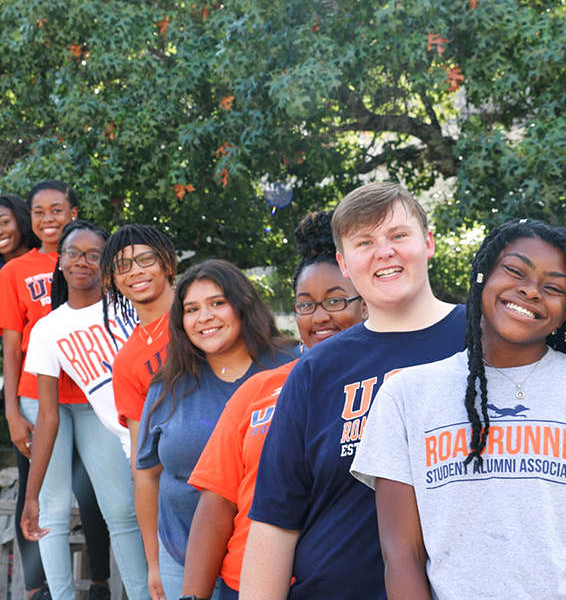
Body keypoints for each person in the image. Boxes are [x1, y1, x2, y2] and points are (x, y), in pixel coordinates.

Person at [351, 218, 566, 599]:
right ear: (483, 276)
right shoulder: (406, 395)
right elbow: (402, 555)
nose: (531, 291)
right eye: (515, 271)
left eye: (553, 288)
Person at [241, 182, 466, 600]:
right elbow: (275, 520)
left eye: (398, 235)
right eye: (365, 242)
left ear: (428, 243)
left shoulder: (485, 341)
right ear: (345, 264)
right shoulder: (316, 370)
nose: (384, 252)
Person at [182, 211, 367, 600]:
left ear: (364, 304)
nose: (320, 317)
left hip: (340, 584)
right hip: (246, 583)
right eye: (305, 304)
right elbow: (216, 504)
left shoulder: (393, 382)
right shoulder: (258, 390)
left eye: (335, 300)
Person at [135, 259, 300, 600]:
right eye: (191, 309)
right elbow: (147, 476)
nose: (204, 317)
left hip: (274, 557)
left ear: (242, 306)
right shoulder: (167, 387)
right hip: (179, 556)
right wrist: (153, 562)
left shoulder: (293, 367)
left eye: (217, 303)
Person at [0, 180, 111, 599]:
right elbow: (12, 348)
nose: (48, 219)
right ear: (30, 219)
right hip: (39, 399)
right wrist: (12, 411)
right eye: (39, 212)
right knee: (44, 497)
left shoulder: (98, 261)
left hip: (94, 396)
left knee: (105, 497)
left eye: (57, 210)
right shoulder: (13, 272)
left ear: (74, 213)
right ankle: (47, 591)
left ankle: (102, 583)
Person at [20, 220, 149, 600]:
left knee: (122, 512)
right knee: (52, 514)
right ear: (59, 260)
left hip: (139, 429)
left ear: (106, 264)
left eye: (94, 255)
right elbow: (47, 416)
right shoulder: (48, 328)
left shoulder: (127, 309)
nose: (83, 262)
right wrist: (31, 493)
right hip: (107, 423)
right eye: (74, 253)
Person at [100, 224, 177, 470]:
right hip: (179, 480)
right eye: (123, 266)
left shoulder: (202, 318)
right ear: (113, 279)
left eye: (145, 259)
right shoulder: (126, 362)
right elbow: (141, 452)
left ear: (166, 264)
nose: (136, 271)